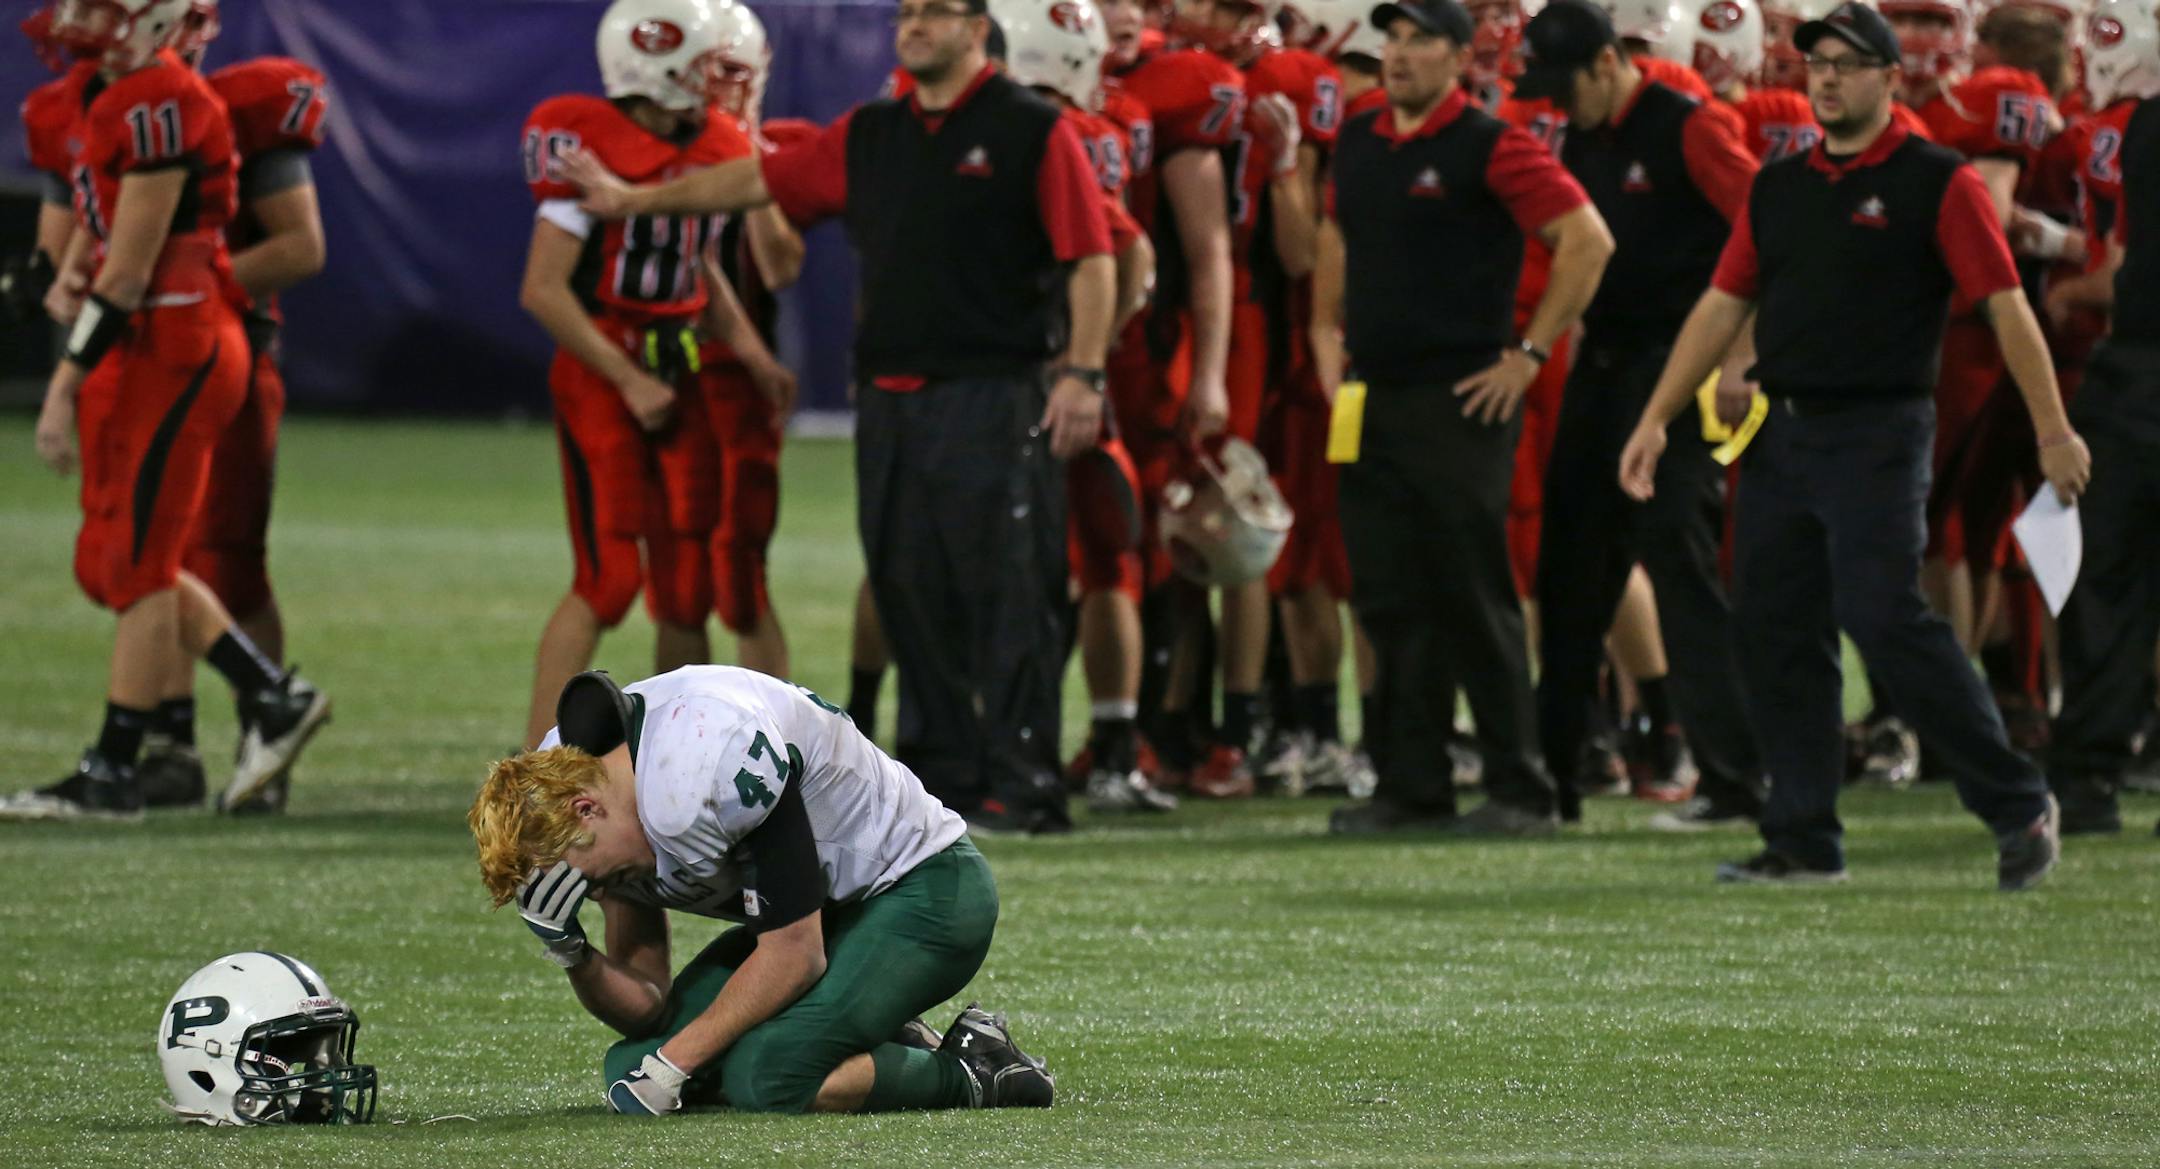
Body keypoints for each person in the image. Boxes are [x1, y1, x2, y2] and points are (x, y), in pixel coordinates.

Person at [562, 0, 1116, 835]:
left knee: (1008, 590)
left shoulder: (1033, 128)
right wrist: (635, 199)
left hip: (995, 395)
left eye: (936, 13)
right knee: (905, 587)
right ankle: (944, 779)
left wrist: (1081, 372)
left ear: (977, 29)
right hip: (890, 403)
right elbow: (758, 180)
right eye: (908, 12)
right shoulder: (874, 131)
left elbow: (1093, 257)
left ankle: (1025, 782)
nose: (914, 24)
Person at [1617, 0, 2083, 888]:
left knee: (1884, 614)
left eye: (1846, 63)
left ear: (1888, 77)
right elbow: (1724, 304)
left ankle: (2017, 799)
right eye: (1816, 64)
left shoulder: (1935, 179)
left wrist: (2056, 427)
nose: (1826, 78)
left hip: (1878, 429)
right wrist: (1655, 415)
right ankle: (1801, 836)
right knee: (1774, 625)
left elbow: (2006, 303)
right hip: (1782, 431)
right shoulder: (1782, 183)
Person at [4, 0, 328, 822]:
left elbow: (135, 262)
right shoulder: (94, 97)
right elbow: (94, 234)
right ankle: (261, 700)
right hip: (147, 339)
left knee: (161, 558)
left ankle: (119, 764)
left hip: (178, 333)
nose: (78, 19)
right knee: (116, 558)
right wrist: (57, 279)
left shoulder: (167, 102)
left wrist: (63, 377)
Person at [469, 667, 1051, 1114]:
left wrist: (673, 1068)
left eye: (585, 876)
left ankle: (977, 1069)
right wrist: (575, 955)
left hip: (924, 889)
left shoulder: (699, 766)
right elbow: (646, 1006)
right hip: (828, 913)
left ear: (585, 807)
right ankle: (881, 1032)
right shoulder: (592, 791)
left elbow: (795, 954)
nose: (589, 893)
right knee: (629, 1061)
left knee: (769, 1073)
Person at [1313, 0, 1614, 835]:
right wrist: (1322, 331)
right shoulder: (1361, 138)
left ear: (1459, 56)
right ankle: (1413, 786)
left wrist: (1530, 352)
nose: (1399, 54)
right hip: (1372, 394)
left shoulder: (1492, 142)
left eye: (1420, 41)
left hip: (1459, 397)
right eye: (1393, 38)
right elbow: (1337, 236)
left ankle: (1521, 786)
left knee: (1472, 592)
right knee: (1388, 594)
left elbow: (1587, 239)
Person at [1511, 0, 1768, 826]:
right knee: (1569, 564)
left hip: (1681, 363)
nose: (1554, 103)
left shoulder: (1686, 125)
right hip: (1610, 365)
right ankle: (1554, 777)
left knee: (1678, 557)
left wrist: (1741, 354)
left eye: (1563, 84)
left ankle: (1734, 777)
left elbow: (1768, 230)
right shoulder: (1586, 134)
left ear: (1604, 64)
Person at [515, 0, 785, 751]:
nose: (718, 81)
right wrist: (627, 380)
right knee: (607, 579)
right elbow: (543, 288)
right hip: (604, 363)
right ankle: (531, 770)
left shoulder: (713, 141)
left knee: (684, 583)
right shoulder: (585, 142)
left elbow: (688, 262)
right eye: (706, 64)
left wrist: (754, 355)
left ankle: (680, 761)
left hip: (680, 365)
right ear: (657, 62)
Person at [2046, 0, 2160, 836]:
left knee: (2108, 581)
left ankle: (2089, 775)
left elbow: (2121, 268)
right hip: (2136, 367)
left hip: (2135, 369)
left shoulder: (2140, 128)